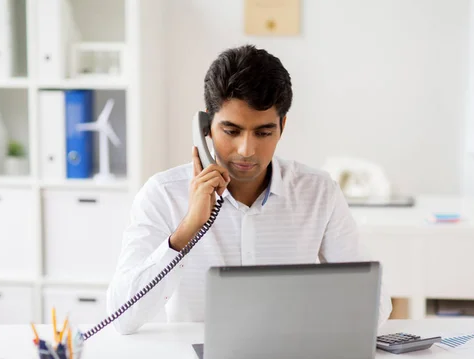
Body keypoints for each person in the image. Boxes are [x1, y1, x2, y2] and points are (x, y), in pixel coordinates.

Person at [106, 44, 392, 334]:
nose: (246, 150)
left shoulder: (319, 193)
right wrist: (188, 228)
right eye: (231, 131)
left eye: (263, 132)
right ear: (205, 126)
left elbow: (376, 304)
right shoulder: (162, 194)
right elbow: (121, 317)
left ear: (282, 126)